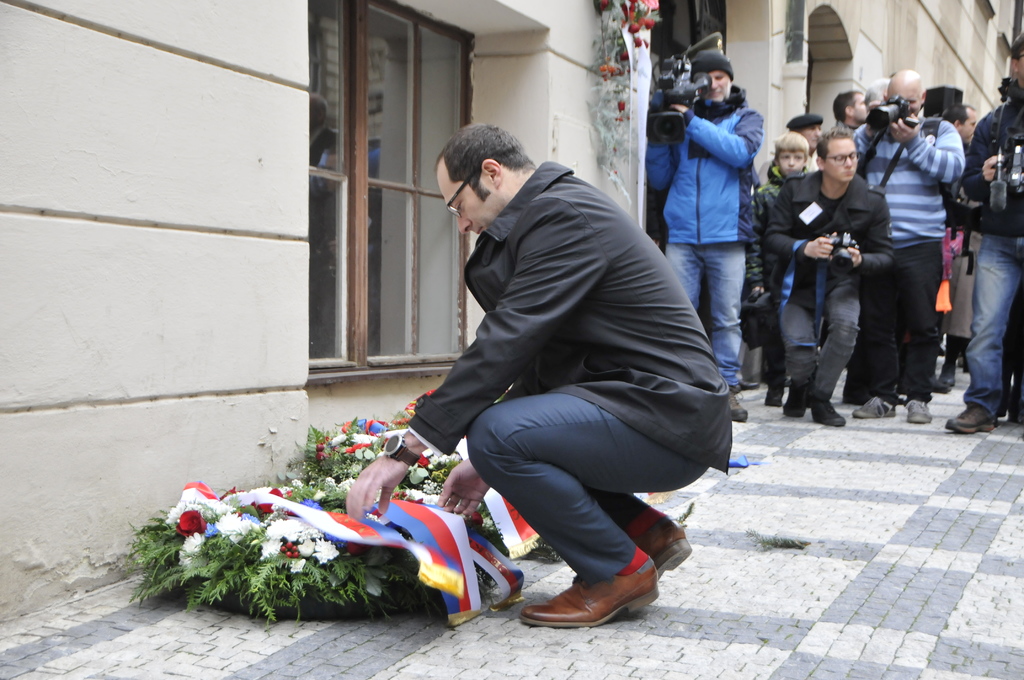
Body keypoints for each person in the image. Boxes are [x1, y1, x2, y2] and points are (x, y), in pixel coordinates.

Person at [346, 124, 732, 627]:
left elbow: (507, 340)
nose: (461, 224)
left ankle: (617, 573)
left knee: (495, 434)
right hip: (649, 406)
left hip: (668, 415)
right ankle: (643, 532)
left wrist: (409, 449)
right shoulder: (550, 214)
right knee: (498, 439)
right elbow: (541, 359)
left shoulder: (562, 217)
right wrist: (489, 464)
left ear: (492, 172)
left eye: (457, 205)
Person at [646, 49, 764, 423]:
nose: (713, 83)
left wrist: (691, 120)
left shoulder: (747, 117)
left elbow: (740, 153)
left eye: (719, 76)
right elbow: (661, 179)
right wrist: (659, 132)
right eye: (706, 77)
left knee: (727, 317)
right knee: (677, 315)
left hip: (728, 236)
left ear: (729, 79)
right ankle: (680, 385)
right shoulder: (680, 120)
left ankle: (728, 387)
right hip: (681, 234)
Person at [850, 70, 965, 424]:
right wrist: (871, 127)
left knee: (923, 323)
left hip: (922, 241)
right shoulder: (876, 129)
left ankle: (918, 396)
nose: (902, 108)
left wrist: (914, 142)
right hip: (879, 242)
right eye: (895, 100)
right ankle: (883, 394)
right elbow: (845, 159)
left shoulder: (939, 130)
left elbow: (953, 169)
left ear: (923, 98)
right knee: (877, 322)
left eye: (910, 102)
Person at [764, 127, 893, 426]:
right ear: (820, 162)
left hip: (842, 281)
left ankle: (820, 398)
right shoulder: (795, 190)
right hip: (796, 281)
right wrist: (804, 247)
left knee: (847, 328)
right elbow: (772, 237)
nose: (849, 163)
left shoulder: (872, 200)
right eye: (840, 158)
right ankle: (798, 387)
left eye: (853, 156)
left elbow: (886, 256)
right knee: (799, 351)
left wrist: (861, 260)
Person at [947, 33, 1024, 433]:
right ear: (1015, 63)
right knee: (986, 327)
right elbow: (968, 183)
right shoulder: (994, 123)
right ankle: (981, 405)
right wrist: (987, 176)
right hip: (997, 239)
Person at [749, 131, 810, 406]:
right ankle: (775, 384)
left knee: (803, 330)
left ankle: (802, 383)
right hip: (775, 273)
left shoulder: (813, 191)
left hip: (805, 272)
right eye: (786, 157)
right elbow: (755, 239)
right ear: (777, 159)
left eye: (798, 158)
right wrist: (756, 277)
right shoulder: (764, 195)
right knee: (774, 328)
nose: (792, 164)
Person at [938, 103, 981, 388]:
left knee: (963, 305)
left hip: (972, 240)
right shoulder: (951, 156)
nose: (975, 129)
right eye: (972, 123)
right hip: (945, 236)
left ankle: (953, 362)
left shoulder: (978, 153)